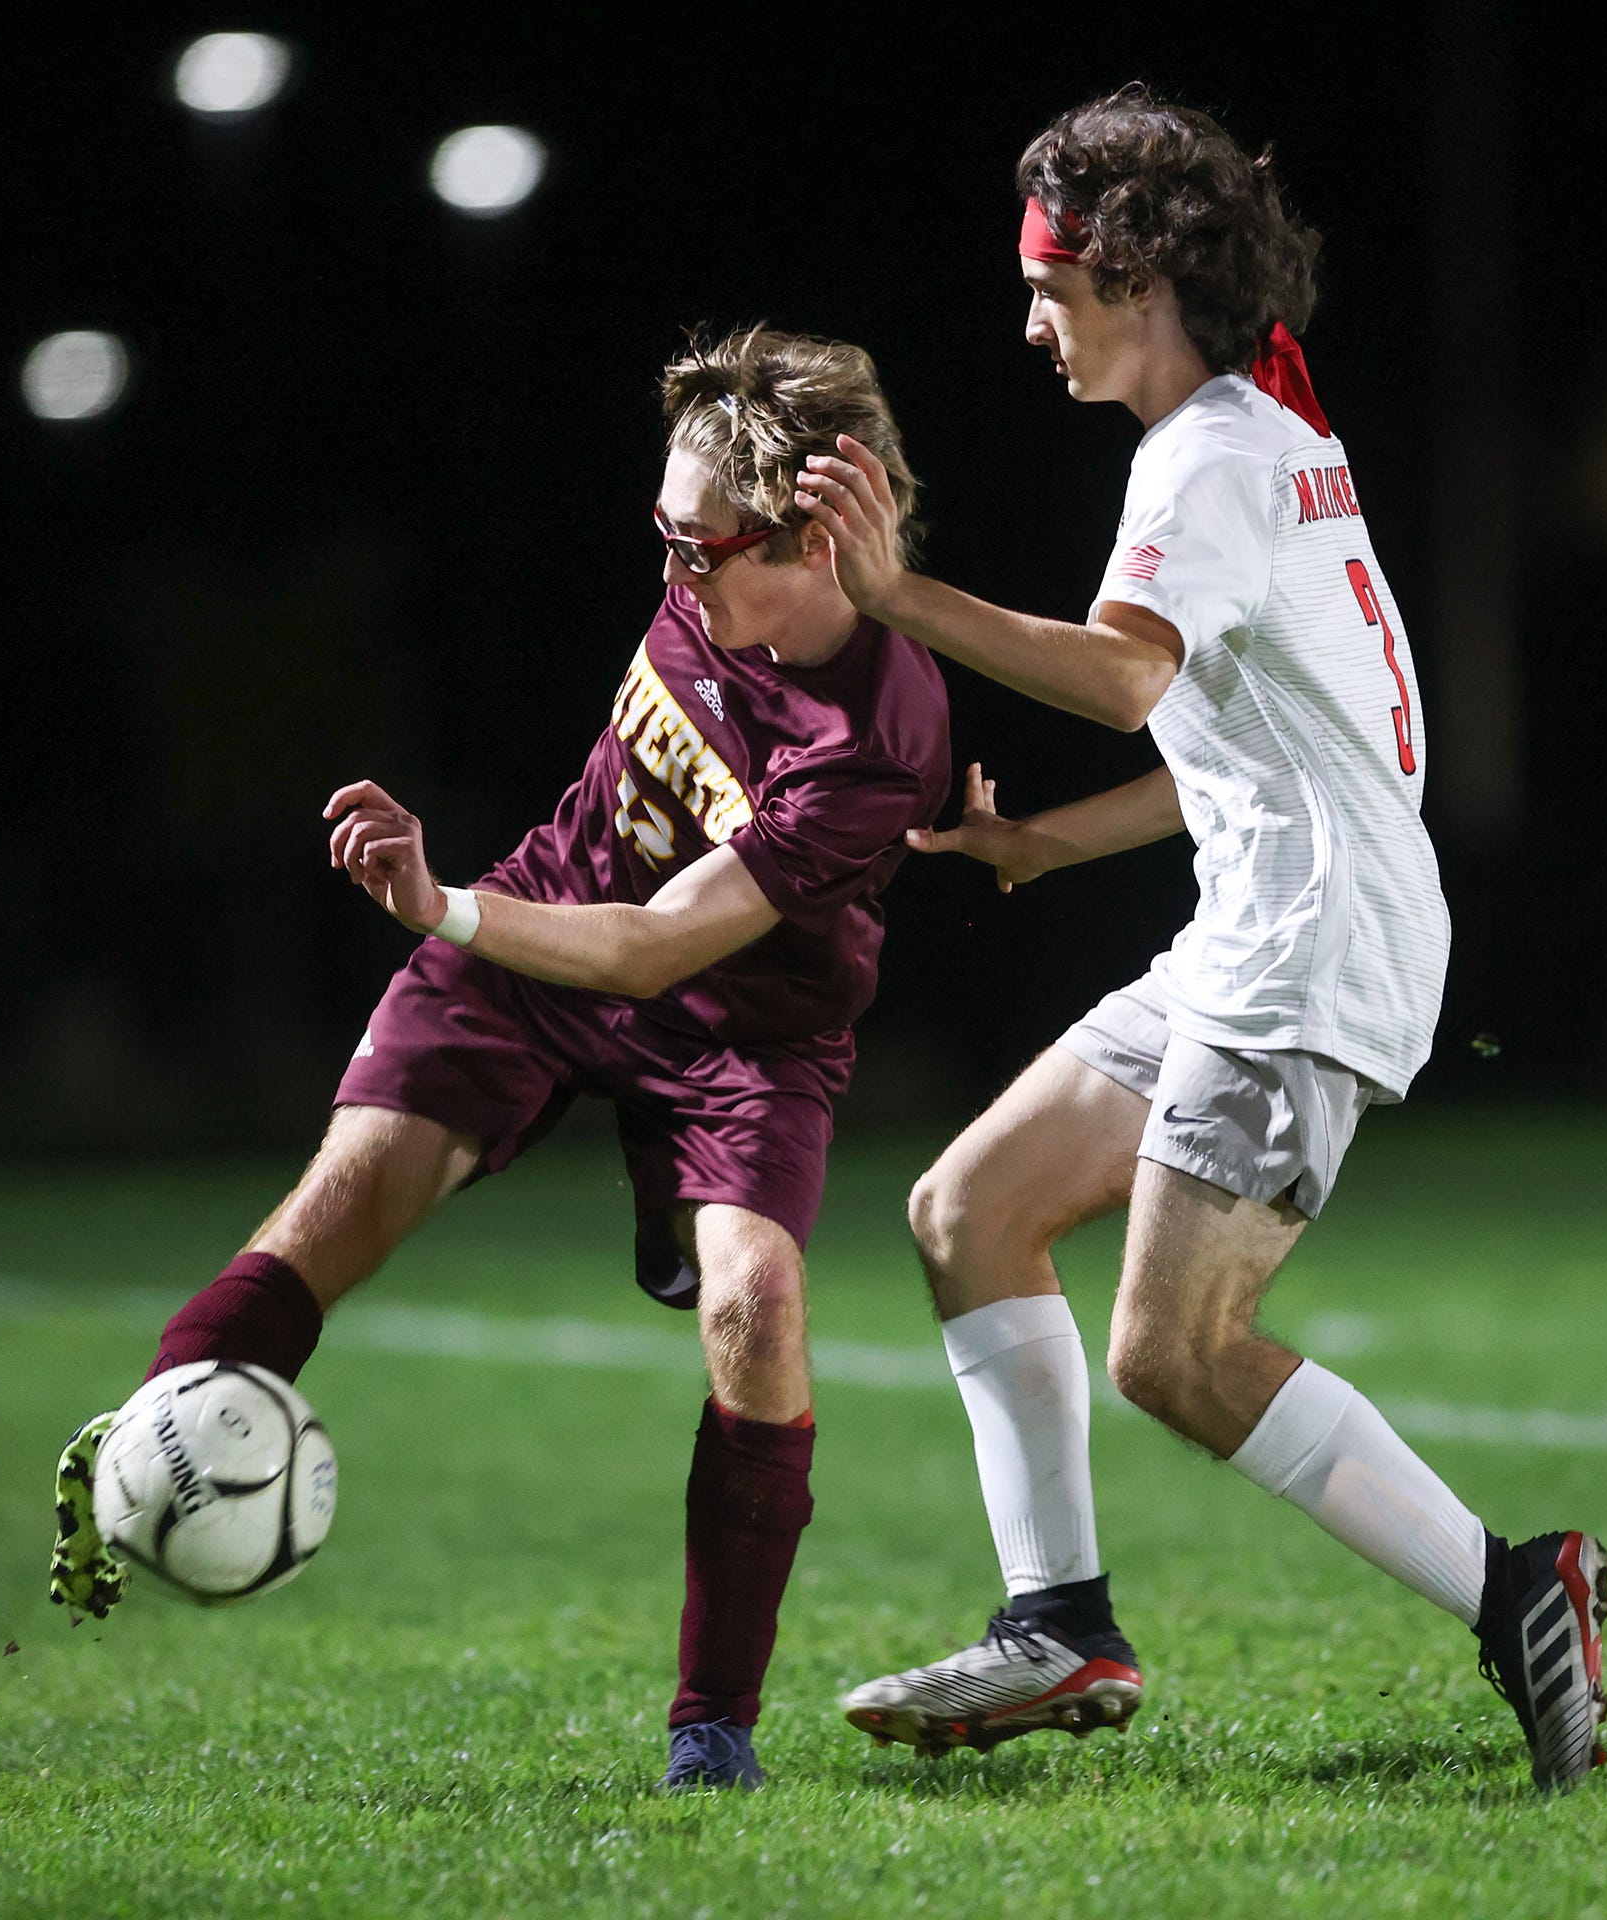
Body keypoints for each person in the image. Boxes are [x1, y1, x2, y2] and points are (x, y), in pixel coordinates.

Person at [794, 87, 1607, 1793]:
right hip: (1265, 929)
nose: (1031, 319)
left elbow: (1120, 677)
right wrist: (1043, 844)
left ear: (1140, 273)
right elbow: (1244, 747)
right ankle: (1059, 1622)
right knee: (968, 1208)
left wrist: (894, 598)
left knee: (1172, 1351)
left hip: (1308, 955)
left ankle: (1516, 1590)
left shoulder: (1216, 458)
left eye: (1049, 283)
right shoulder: (1255, 440)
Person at [47, 326, 952, 1794]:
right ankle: (141, 1455)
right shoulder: (720, 587)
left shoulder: (876, 735)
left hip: (737, 1025)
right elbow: (606, 926)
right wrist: (479, 925)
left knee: (757, 1305)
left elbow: (660, 953)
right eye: (660, 538)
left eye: (701, 550)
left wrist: (440, 905)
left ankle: (709, 1727)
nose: (673, 576)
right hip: (544, 948)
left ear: (814, 537)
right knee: (339, 1204)